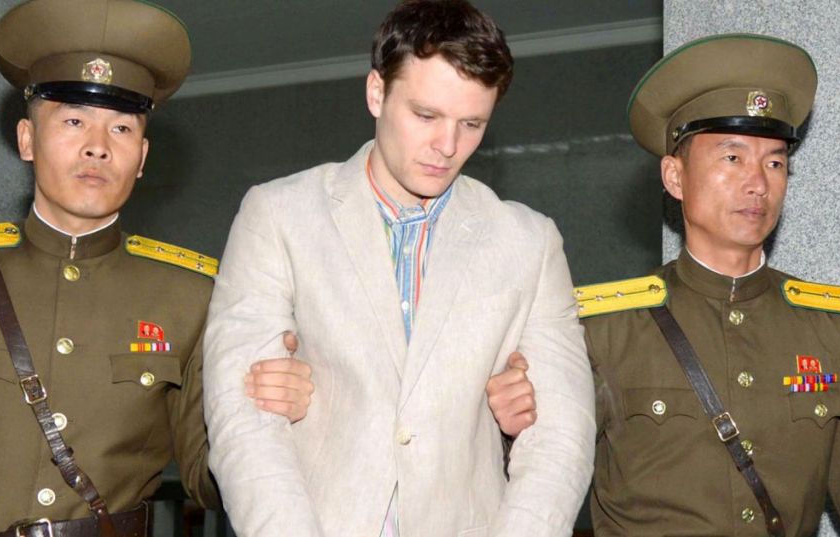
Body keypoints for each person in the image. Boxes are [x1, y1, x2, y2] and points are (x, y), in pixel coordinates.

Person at [0, 1, 315, 535]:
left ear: (142, 158)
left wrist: (275, 417)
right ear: (27, 140)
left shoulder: (189, 296)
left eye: (121, 129)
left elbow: (210, 476)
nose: (97, 148)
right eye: (74, 121)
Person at [202, 0, 595, 535]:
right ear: (376, 92)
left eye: (472, 124)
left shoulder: (530, 241)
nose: (448, 146)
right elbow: (243, 421)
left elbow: (563, 437)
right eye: (426, 116)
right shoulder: (278, 214)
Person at [572, 33, 840, 535]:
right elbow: (530, 481)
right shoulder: (605, 330)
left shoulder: (833, 331)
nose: (758, 183)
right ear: (674, 177)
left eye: (775, 163)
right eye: (732, 158)